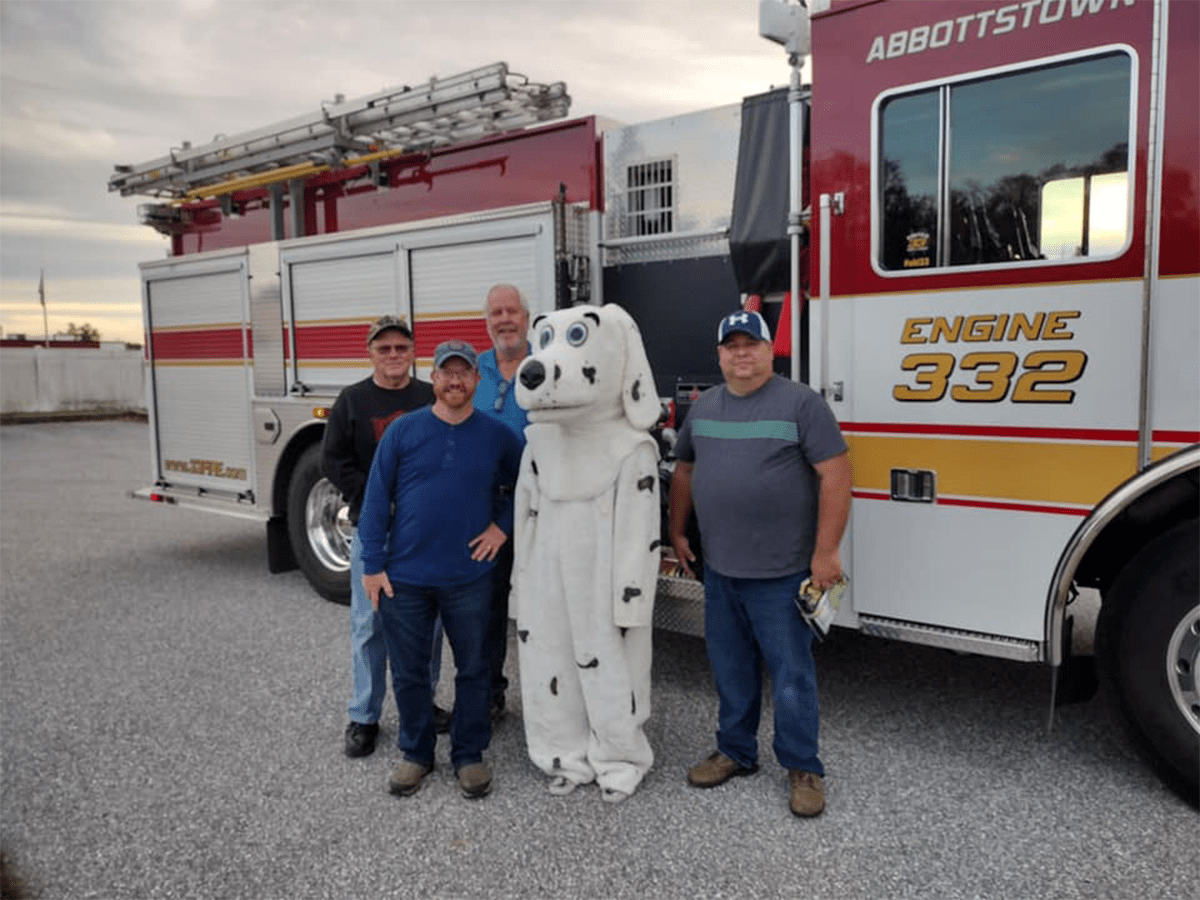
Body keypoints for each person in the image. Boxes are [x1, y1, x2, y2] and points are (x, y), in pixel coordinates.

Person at [668, 309, 851, 818]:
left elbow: (836, 475)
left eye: (751, 344)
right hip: (721, 570)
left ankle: (802, 766)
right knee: (730, 669)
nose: (741, 353)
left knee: (791, 675)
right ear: (719, 355)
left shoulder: (801, 403)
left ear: (771, 351)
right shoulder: (704, 407)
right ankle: (735, 751)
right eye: (731, 346)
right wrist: (677, 531)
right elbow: (684, 470)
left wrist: (826, 552)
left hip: (782, 574)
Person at [359, 340, 523, 800]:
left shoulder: (497, 436)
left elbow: (527, 484)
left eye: (464, 372)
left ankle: (469, 755)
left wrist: (501, 528)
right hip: (405, 577)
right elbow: (376, 498)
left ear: (476, 380)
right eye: (447, 372)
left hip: (470, 577)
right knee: (409, 672)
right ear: (433, 379)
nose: (455, 380)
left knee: (474, 669)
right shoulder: (403, 431)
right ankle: (416, 753)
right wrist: (372, 565)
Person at [322, 315, 433, 759]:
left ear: (413, 352)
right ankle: (364, 716)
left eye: (401, 347)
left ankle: (423, 705)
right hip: (374, 530)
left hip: (423, 533)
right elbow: (334, 461)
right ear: (370, 353)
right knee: (370, 624)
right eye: (383, 348)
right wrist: (375, 498)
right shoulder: (352, 401)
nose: (393, 355)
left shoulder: (429, 397)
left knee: (426, 625)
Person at [471, 283, 532, 721]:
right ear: (487, 322)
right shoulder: (472, 370)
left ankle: (554, 700)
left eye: (512, 311)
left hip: (541, 508)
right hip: (485, 510)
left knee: (544, 606)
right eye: (497, 313)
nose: (505, 319)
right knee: (486, 608)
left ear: (526, 318)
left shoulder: (548, 367)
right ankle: (490, 693)